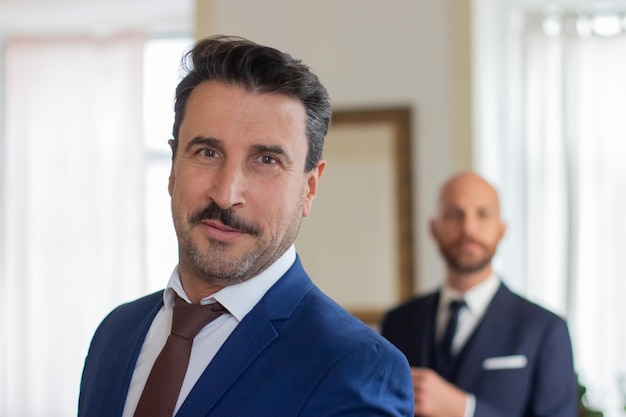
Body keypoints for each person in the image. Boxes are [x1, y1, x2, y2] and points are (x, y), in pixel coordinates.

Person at [78, 35, 413, 417]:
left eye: (266, 160)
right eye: (207, 153)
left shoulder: (355, 367)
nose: (225, 194)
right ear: (173, 167)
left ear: (309, 188)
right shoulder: (115, 334)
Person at [381, 171, 577, 417]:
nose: (468, 228)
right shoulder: (398, 322)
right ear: (433, 228)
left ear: (501, 229)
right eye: (454, 214)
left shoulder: (546, 329)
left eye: (482, 214)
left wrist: (466, 410)